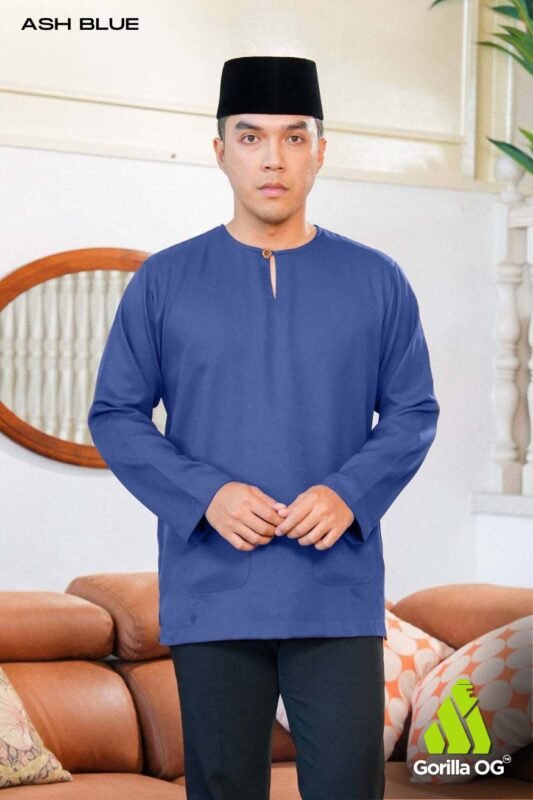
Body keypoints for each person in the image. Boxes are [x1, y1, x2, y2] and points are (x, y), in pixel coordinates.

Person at [87, 55, 440, 800]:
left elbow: (413, 411)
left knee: (348, 786)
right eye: (250, 138)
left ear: (320, 150)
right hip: (212, 585)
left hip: (335, 590)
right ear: (220, 151)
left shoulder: (376, 279)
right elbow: (116, 414)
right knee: (223, 788)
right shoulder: (164, 280)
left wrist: (348, 493)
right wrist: (206, 495)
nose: (272, 158)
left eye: (293, 137)